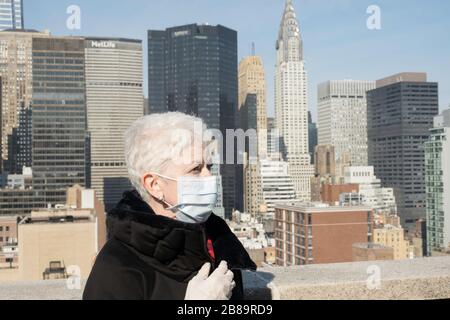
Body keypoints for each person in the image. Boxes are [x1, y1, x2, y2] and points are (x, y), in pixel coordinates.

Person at [83, 112, 256, 300]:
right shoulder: (116, 268)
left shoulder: (218, 239)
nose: (209, 177)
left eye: (209, 167)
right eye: (195, 169)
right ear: (155, 185)